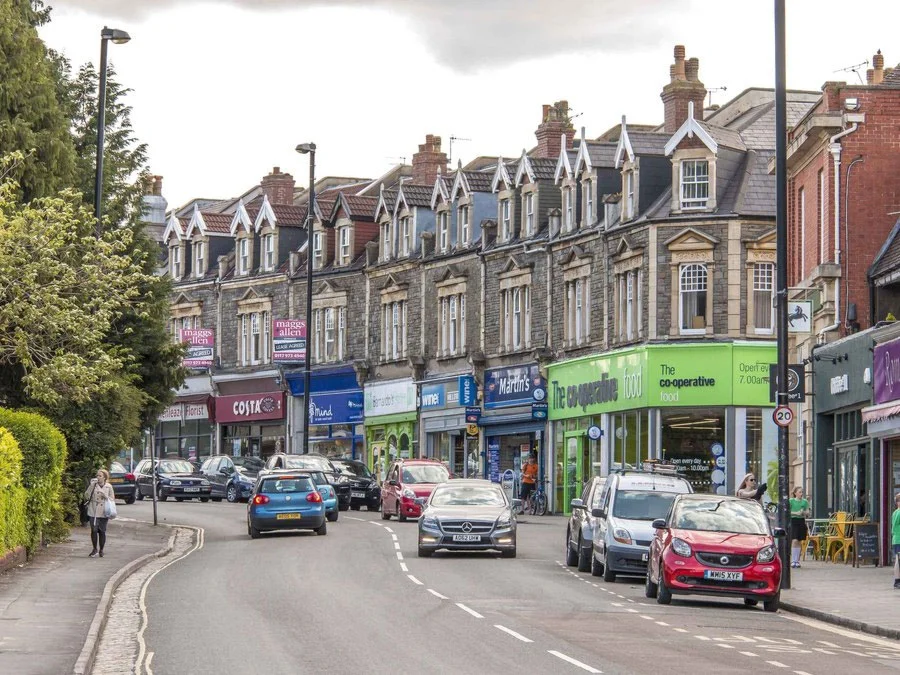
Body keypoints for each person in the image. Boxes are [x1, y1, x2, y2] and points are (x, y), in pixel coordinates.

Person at [83, 469, 115, 558]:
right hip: (93, 510)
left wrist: (105, 495)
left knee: (102, 531)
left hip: (104, 511)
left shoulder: (109, 487)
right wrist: (90, 486)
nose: (98, 477)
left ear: (104, 477)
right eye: (97, 475)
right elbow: (86, 496)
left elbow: (112, 499)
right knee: (93, 530)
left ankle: (101, 549)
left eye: (100, 476)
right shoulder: (93, 485)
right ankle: (94, 549)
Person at [788, 486, 811, 568]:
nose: (801, 494)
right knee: (794, 540)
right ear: (795, 493)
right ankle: (793, 560)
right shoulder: (791, 501)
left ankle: (797, 561)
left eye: (802, 492)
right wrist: (796, 513)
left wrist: (804, 512)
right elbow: (787, 512)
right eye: (800, 492)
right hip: (793, 521)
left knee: (799, 541)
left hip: (801, 521)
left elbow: (808, 512)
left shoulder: (804, 502)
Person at [892, 492, 900, 590]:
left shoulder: (895, 512)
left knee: (898, 560)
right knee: (898, 560)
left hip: (896, 539)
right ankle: (897, 581)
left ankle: (897, 580)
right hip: (898, 539)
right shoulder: (899, 512)